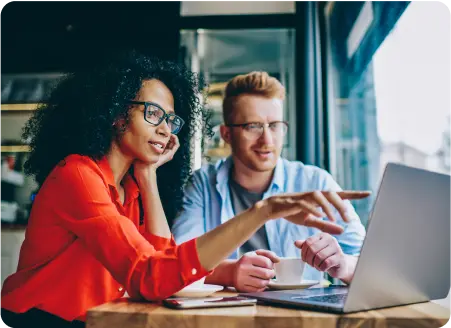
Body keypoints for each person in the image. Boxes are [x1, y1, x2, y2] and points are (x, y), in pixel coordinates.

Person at [0, 53, 369, 327]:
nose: (165, 129)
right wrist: (263, 211)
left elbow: (162, 266)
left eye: (170, 119)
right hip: (38, 320)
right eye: (152, 114)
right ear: (114, 114)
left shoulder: (129, 188)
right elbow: (151, 276)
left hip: (92, 321)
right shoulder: (78, 175)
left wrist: (147, 177)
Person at [172, 71, 368, 293]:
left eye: (274, 125)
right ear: (227, 134)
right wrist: (230, 272)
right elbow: (176, 263)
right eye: (253, 126)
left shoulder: (315, 181)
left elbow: (370, 262)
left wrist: (343, 265)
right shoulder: (202, 184)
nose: (267, 140)